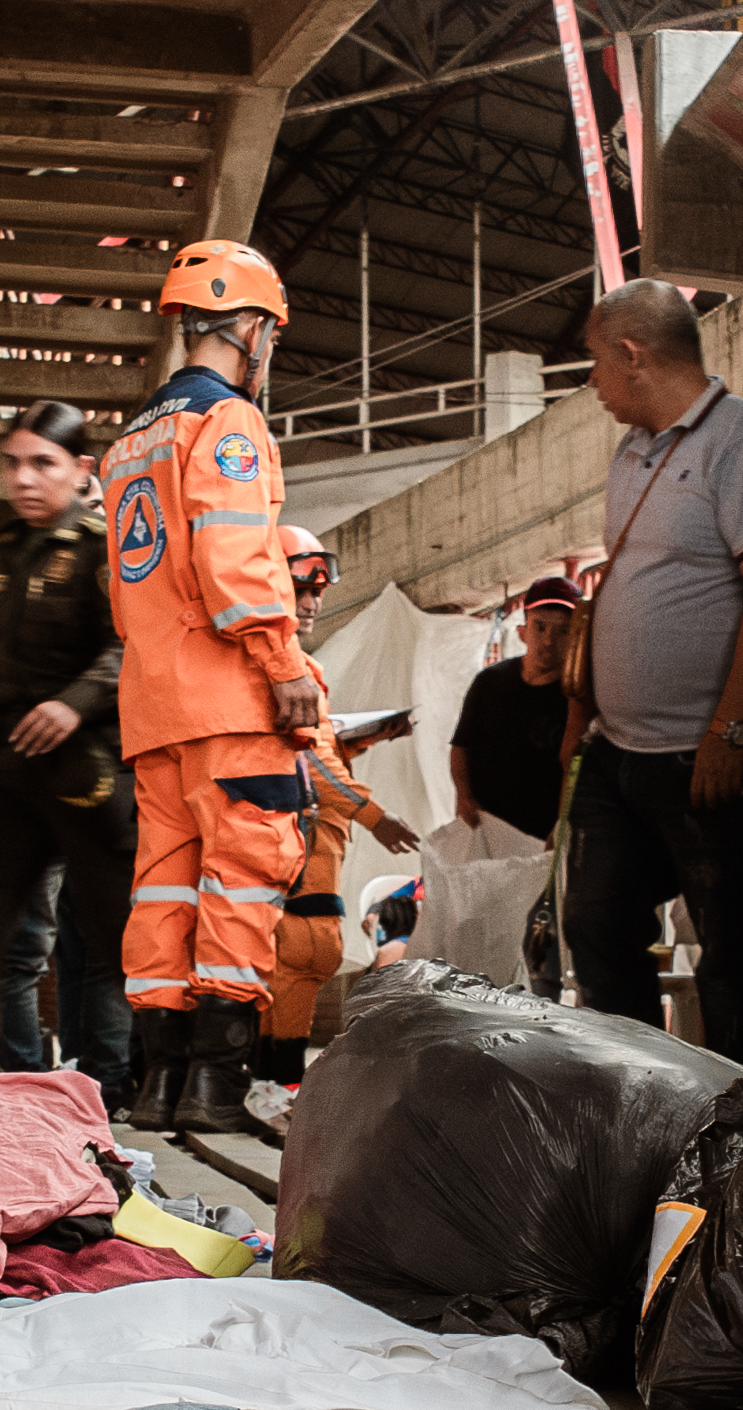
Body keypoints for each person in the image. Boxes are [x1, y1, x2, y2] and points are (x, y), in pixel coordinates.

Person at [568, 281, 743, 1064]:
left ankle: (737, 1107)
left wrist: (731, 728)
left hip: (719, 753)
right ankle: (638, 1093)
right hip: (620, 750)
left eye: (595, 361)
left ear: (632, 353)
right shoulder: (632, 451)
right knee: (595, 924)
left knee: (733, 953)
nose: (592, 381)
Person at [99, 241, 325, 1133]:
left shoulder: (131, 441)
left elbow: (128, 586)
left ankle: (159, 1085)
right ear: (251, 327)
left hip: (155, 707)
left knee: (165, 891)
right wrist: (283, 663)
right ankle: (215, 1089)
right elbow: (233, 556)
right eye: (271, 332)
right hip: (228, 700)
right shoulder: (227, 422)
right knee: (242, 879)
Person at [0, 399, 135, 1096]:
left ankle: (156, 1087)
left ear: (82, 470)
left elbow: (133, 644)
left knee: (124, 947)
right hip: (13, 782)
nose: (23, 479)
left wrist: (74, 703)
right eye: (12, 463)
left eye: (42, 464)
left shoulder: (107, 549)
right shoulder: (7, 550)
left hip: (91, 780)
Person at [260, 526, 423, 1079]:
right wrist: (377, 817)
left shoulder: (295, 669)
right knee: (306, 949)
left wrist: (365, 737)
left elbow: (308, 750)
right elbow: (314, 762)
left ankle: (267, 1080)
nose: (311, 604)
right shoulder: (282, 669)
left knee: (290, 954)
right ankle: (279, 1082)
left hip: (301, 833)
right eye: (299, 591)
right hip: (297, 836)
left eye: (317, 593)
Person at [449, 573, 580, 839]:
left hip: (545, 838)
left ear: (576, 638)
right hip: (486, 829)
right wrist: (464, 796)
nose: (548, 641)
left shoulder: (577, 699)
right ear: (522, 632)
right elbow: (461, 746)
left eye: (562, 631)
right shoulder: (489, 681)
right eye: (540, 627)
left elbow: (580, 771)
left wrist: (564, 824)